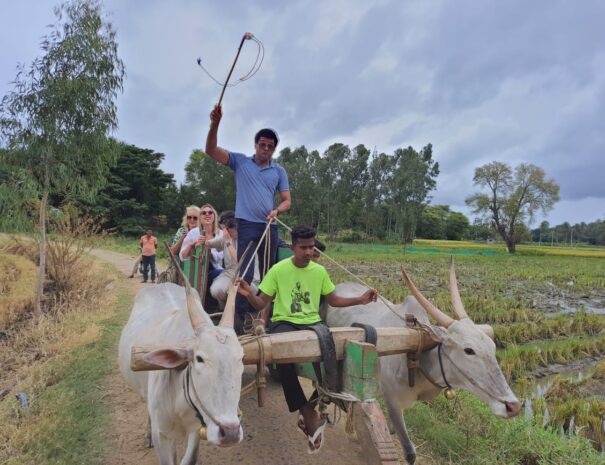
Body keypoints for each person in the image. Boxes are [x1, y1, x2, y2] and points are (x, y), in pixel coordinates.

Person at [237, 226, 377, 453]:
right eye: (303, 247)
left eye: (311, 246)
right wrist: (248, 294)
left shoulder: (319, 272)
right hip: (284, 321)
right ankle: (306, 411)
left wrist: (360, 300)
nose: (309, 251)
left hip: (313, 323)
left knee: (334, 356)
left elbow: (333, 300)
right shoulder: (278, 269)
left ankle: (312, 405)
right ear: (293, 247)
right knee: (281, 352)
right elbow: (262, 304)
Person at [205, 104, 291, 329]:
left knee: (269, 274)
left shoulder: (279, 171)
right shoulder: (241, 162)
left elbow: (286, 200)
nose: (265, 149)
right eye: (262, 144)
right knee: (244, 273)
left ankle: (263, 321)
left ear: (273, 150)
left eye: (270, 146)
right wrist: (215, 124)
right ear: (255, 145)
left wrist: (278, 211)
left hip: (269, 226)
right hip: (246, 225)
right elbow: (211, 150)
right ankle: (239, 321)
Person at [180, 203, 224, 286]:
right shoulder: (193, 233)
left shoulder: (221, 234)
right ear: (200, 217)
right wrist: (193, 246)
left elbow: (218, 259)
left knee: (223, 274)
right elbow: (182, 256)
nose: (207, 214)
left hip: (214, 270)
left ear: (214, 216)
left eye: (210, 212)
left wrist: (207, 245)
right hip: (194, 270)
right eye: (203, 213)